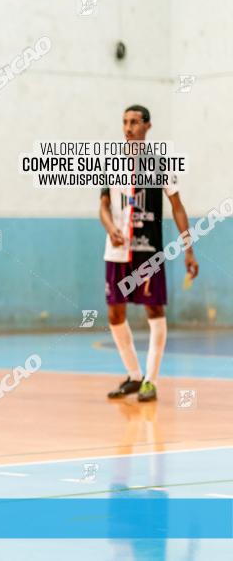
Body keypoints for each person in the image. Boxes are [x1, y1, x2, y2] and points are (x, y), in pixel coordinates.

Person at [100, 104, 198, 403]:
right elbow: (103, 206)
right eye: (124, 122)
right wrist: (109, 228)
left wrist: (188, 248)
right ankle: (134, 375)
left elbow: (177, 207)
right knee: (115, 313)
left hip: (148, 251)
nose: (128, 128)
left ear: (148, 126)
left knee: (153, 310)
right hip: (117, 251)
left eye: (134, 122)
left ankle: (151, 382)